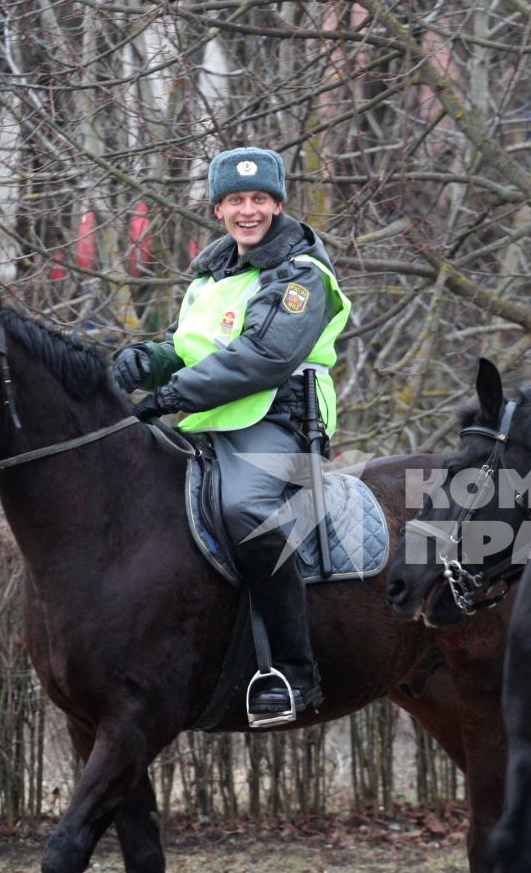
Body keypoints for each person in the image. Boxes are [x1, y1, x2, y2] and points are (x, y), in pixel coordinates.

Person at [111, 146, 351, 727]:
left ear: (277, 204)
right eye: (237, 200)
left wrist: (171, 395)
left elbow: (265, 356)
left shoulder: (300, 274)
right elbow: (190, 347)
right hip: (212, 422)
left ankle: (294, 672)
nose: (249, 210)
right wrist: (146, 361)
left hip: (280, 421)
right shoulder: (211, 276)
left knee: (248, 511)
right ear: (218, 208)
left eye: (260, 199)